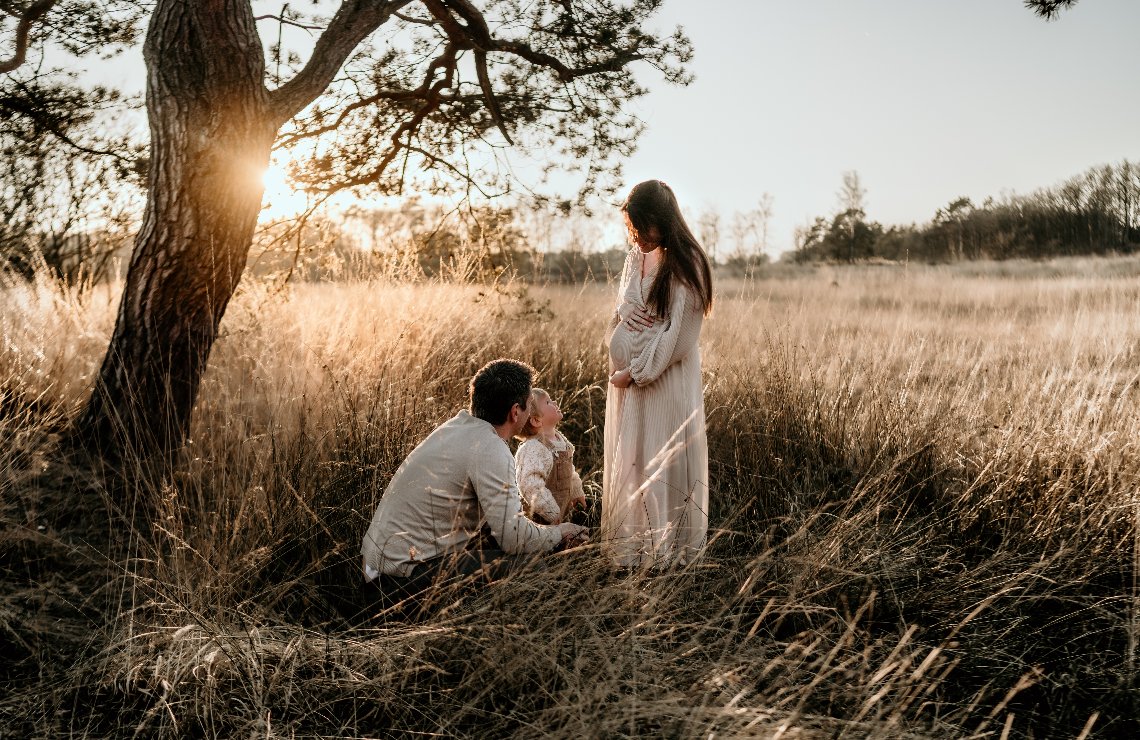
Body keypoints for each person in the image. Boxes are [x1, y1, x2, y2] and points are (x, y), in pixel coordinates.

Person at [360, 359, 588, 605]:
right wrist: (558, 533)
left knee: (497, 544)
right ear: (515, 412)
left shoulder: (455, 427)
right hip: (394, 586)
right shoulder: (490, 449)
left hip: (377, 570)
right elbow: (512, 537)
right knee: (530, 568)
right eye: (529, 405)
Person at [602, 179, 713, 569]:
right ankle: (634, 552)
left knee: (660, 462)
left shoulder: (687, 263)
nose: (637, 236)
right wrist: (623, 312)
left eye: (642, 227)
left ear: (663, 220)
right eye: (632, 227)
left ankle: (667, 557)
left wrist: (635, 372)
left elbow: (679, 335)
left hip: (661, 381)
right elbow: (627, 304)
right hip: (630, 385)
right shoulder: (637, 257)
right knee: (634, 461)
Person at [514, 388, 588, 525]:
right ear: (536, 420)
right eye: (548, 402)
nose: (554, 402)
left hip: (561, 512)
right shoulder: (533, 448)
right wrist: (551, 513)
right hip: (540, 519)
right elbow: (530, 485)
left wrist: (576, 491)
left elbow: (569, 471)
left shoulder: (560, 440)